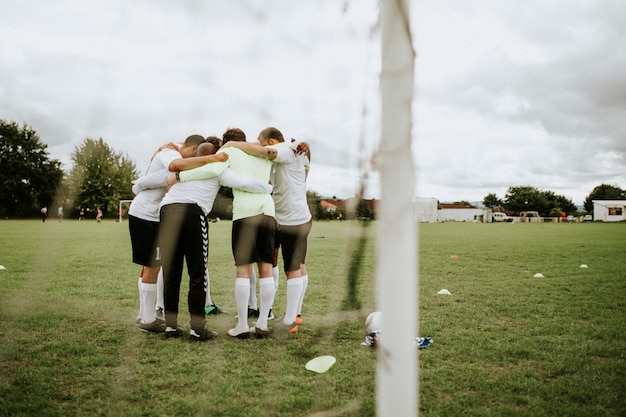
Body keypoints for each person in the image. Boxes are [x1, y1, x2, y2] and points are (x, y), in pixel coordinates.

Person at [159, 141, 273, 341]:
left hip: (167, 210)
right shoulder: (218, 167)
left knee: (171, 271)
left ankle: (170, 326)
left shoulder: (185, 168)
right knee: (197, 272)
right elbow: (242, 183)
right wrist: (267, 187)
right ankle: (197, 328)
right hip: (192, 212)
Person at [222, 127, 311, 333]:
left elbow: (267, 153)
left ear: (271, 142)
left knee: (291, 268)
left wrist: (232, 144)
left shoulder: (286, 151)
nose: (259, 147)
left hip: (290, 218)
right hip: (279, 214)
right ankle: (279, 316)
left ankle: (290, 318)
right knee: (278, 265)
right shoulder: (297, 151)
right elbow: (305, 164)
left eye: (261, 143)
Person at [128, 134, 220, 332]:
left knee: (150, 266)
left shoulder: (172, 150)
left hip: (154, 215)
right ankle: (147, 319)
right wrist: (212, 159)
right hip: (147, 214)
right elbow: (174, 167)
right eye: (194, 155)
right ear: (193, 148)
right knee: (152, 265)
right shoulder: (170, 153)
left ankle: (145, 314)